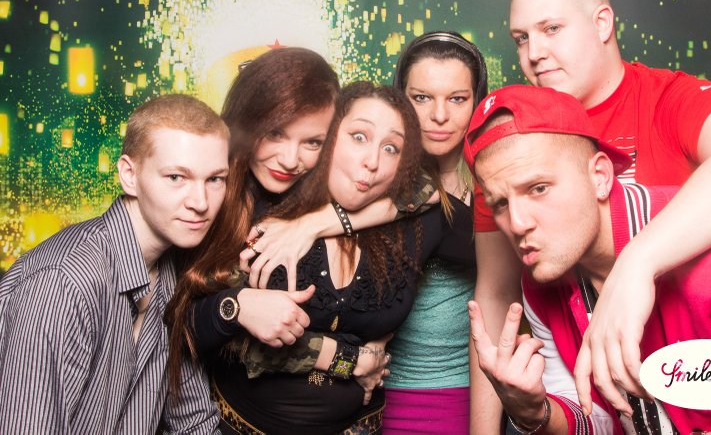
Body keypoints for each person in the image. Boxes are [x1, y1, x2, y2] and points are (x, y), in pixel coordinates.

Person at [470, 0, 711, 430]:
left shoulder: (668, 100)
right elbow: (498, 297)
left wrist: (636, 264)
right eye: (521, 38)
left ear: (603, 23)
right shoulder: (510, 147)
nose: (533, 53)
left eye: (551, 29)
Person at [182, 81, 473, 434]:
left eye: (391, 148)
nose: (372, 162)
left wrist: (326, 222)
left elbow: (483, 227)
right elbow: (204, 332)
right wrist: (352, 359)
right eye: (359, 137)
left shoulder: (416, 224)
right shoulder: (267, 205)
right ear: (328, 137)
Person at [0, 94, 227, 433]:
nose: (201, 202)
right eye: (176, 177)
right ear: (129, 175)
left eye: (215, 179)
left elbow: (194, 423)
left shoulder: (174, 271)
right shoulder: (63, 284)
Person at [380, 31, 486, 433]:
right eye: (421, 98)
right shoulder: (374, 176)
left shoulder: (494, 181)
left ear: (477, 101)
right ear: (399, 100)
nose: (439, 115)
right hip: (372, 394)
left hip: (463, 393)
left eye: (457, 99)